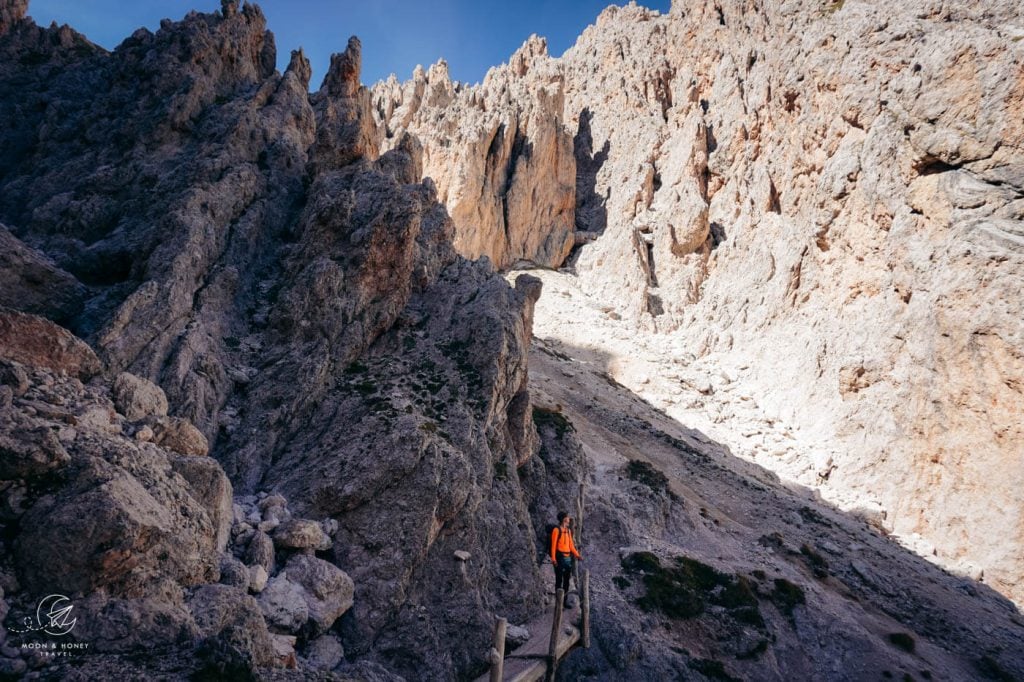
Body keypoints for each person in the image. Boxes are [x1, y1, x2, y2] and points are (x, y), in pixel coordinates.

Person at [550, 511, 582, 607]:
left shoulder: (568, 531)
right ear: (564, 519)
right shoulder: (556, 530)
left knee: (567, 580)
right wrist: (553, 559)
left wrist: (577, 555)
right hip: (559, 557)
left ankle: (564, 602)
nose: (569, 518)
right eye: (567, 517)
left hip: (567, 557)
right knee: (559, 580)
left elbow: (571, 546)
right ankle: (558, 603)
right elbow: (553, 546)